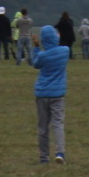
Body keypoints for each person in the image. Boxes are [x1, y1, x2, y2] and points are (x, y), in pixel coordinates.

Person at [32, 23, 70, 164]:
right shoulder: (64, 51)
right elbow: (60, 44)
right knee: (58, 123)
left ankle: (44, 157)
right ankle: (60, 152)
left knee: (43, 127)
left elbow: (35, 63)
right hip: (57, 94)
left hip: (42, 93)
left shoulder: (42, 56)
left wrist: (36, 47)